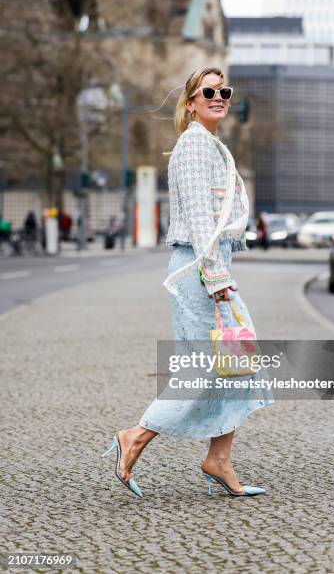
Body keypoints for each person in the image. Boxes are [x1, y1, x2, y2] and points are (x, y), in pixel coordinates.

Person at [102, 67, 273, 498]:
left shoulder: (210, 145)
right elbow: (200, 218)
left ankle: (218, 459)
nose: (219, 97)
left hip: (209, 267)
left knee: (239, 365)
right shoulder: (195, 146)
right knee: (204, 369)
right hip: (199, 270)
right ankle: (134, 437)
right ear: (192, 101)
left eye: (224, 91)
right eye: (208, 91)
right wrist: (214, 275)